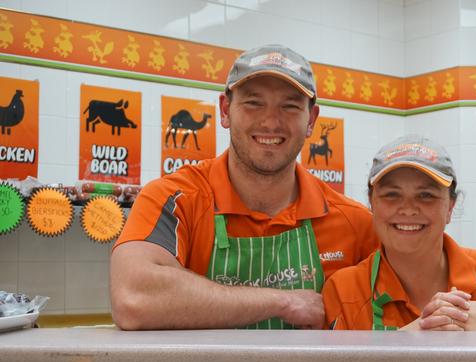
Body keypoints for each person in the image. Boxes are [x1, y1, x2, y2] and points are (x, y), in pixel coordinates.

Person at [110, 44, 378, 330]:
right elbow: (133, 298)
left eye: (289, 106)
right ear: (225, 111)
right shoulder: (175, 200)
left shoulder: (356, 223)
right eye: (253, 102)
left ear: (311, 120)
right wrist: (282, 302)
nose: (271, 121)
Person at [321, 135, 476, 331]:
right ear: (371, 203)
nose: (408, 209)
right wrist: (401, 346)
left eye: (426, 195)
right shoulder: (345, 290)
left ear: (450, 207)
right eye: (392, 194)